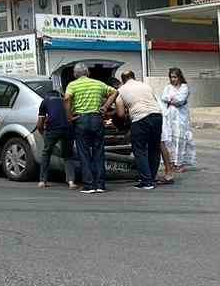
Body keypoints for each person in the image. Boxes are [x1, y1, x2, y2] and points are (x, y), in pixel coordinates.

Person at [64, 63, 115, 194]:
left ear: (75, 74)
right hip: (97, 119)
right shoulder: (98, 84)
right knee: (98, 152)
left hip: (81, 120)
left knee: (84, 152)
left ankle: (89, 185)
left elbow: (67, 99)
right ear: (88, 73)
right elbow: (115, 92)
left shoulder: (72, 85)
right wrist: (105, 107)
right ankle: (100, 185)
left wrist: (69, 116)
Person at [115, 69, 164, 191]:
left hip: (140, 119)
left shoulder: (121, 90)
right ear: (134, 77)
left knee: (139, 149)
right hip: (157, 116)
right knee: (154, 148)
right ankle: (151, 178)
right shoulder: (145, 86)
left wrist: (127, 114)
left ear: (123, 80)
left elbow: (120, 114)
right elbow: (155, 102)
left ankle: (146, 181)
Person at [35, 83, 73, 188]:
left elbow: (39, 124)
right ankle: (71, 181)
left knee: (46, 153)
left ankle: (43, 181)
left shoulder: (45, 101)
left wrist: (43, 133)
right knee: (68, 155)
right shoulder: (65, 100)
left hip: (52, 129)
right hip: (68, 129)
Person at [161, 67, 195, 173]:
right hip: (170, 116)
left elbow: (180, 100)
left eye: (175, 77)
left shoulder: (184, 87)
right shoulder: (168, 87)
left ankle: (179, 163)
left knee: (180, 140)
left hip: (181, 117)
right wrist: (173, 100)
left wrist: (172, 99)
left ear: (179, 77)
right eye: (171, 77)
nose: (173, 79)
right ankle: (170, 162)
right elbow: (164, 98)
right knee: (169, 140)